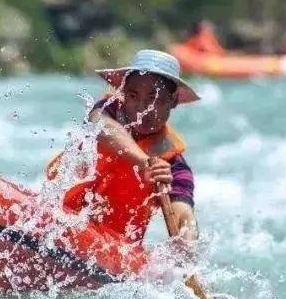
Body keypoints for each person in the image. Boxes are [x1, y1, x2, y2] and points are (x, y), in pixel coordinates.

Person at [47, 49, 200, 248]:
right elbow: (103, 128)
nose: (142, 108)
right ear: (123, 94)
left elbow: (184, 217)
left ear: (173, 101)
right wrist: (145, 162)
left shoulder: (175, 167)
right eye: (133, 96)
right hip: (61, 219)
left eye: (153, 99)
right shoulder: (105, 111)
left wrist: (187, 251)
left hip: (113, 250)